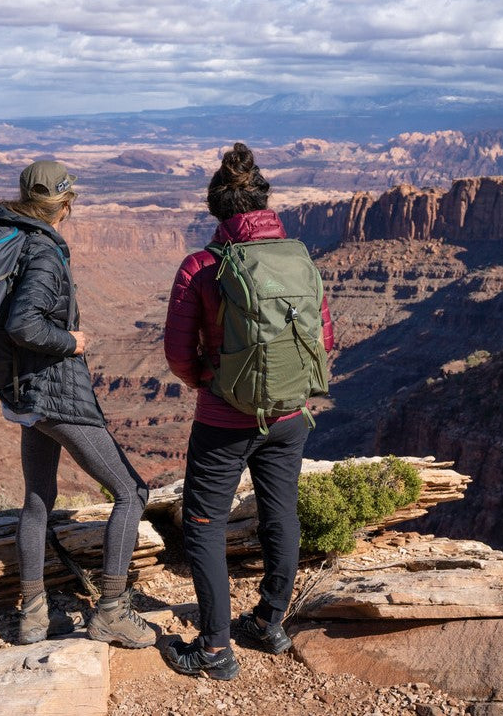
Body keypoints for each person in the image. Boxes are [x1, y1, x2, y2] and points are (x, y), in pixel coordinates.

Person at [160, 143, 335, 680]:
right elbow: (324, 337)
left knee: (205, 524)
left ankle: (215, 650)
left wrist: (209, 385)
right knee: (279, 512)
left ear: (216, 208)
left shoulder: (202, 265)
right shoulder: (299, 257)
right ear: (265, 202)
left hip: (223, 420)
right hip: (289, 415)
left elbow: (176, 351)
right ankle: (270, 622)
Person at [0, 160, 155, 649]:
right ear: (66, 203)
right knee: (131, 492)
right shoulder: (43, 250)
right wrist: (72, 342)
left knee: (38, 499)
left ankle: (33, 616)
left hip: (21, 394)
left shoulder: (7, 234)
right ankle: (111, 613)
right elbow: (23, 325)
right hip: (52, 393)